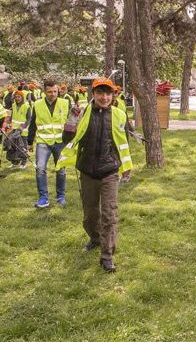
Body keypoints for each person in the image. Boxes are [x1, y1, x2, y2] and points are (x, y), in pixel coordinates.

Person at [57, 77, 133, 273]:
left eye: (108, 93)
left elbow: (123, 142)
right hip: (87, 170)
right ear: (93, 94)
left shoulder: (119, 114)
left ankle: (107, 255)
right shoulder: (81, 112)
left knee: (109, 213)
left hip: (109, 171)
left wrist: (125, 165)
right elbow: (67, 138)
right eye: (100, 93)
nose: (104, 97)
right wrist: (71, 120)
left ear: (113, 95)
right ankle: (95, 237)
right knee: (90, 214)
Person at [27, 80, 69, 208]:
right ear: (45, 91)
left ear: (58, 91)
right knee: (40, 169)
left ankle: (60, 196)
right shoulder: (37, 104)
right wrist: (30, 142)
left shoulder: (65, 103)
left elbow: (71, 122)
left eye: (55, 91)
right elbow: (33, 123)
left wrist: (71, 140)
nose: (52, 94)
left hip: (60, 142)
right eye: (50, 91)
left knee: (61, 170)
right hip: (43, 142)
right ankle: (43, 198)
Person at [10, 90, 31, 169]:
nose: (17, 98)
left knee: (22, 147)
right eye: (16, 97)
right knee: (13, 146)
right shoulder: (13, 105)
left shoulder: (27, 106)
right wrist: (9, 124)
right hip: (14, 129)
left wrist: (22, 128)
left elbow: (29, 119)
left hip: (23, 130)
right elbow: (12, 116)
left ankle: (23, 162)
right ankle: (15, 162)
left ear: (22, 97)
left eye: (19, 97)